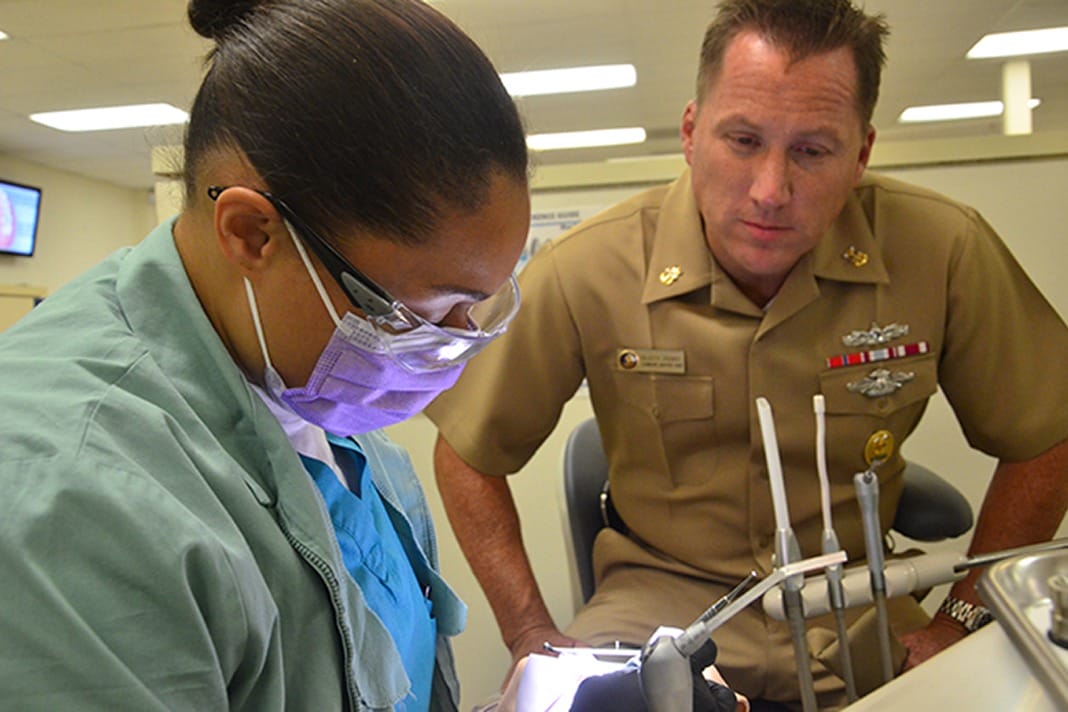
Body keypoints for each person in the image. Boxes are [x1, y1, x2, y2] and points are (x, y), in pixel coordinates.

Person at [425, 0, 1068, 708]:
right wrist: (529, 632)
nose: (770, 191)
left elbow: (1049, 435)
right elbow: (468, 454)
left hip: (857, 604)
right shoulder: (589, 268)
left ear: (861, 155)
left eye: (812, 151)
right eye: (743, 140)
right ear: (691, 132)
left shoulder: (941, 250)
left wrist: (962, 616)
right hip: (657, 605)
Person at [0, 0, 530, 709]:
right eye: (419, 314)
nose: (447, 352)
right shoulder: (74, 498)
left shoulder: (305, 388)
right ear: (252, 233)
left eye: (474, 311)